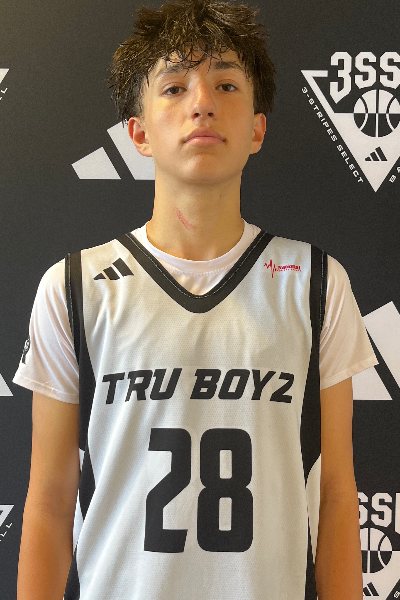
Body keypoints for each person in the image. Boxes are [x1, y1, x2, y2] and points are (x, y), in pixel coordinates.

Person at [14, 0, 377, 598]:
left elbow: (337, 493)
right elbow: (50, 499)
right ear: (138, 133)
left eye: (226, 84)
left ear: (257, 128)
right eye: (174, 87)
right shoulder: (75, 287)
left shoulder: (314, 282)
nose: (202, 102)